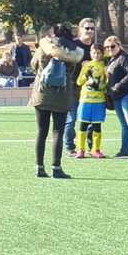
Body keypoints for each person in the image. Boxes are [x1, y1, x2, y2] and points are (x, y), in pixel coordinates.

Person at [29, 23, 84, 179]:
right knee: (58, 132)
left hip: (42, 93)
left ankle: (39, 167)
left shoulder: (43, 48)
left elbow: (33, 65)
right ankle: (56, 167)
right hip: (62, 95)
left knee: (41, 131)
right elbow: (73, 72)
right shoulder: (72, 52)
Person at [104, 35, 128, 159]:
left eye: (112, 46)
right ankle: (124, 151)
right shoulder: (112, 60)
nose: (109, 49)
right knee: (124, 124)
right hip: (118, 96)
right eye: (107, 47)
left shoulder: (125, 58)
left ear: (119, 45)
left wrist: (117, 86)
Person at [64, 18, 98, 156]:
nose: (90, 31)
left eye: (92, 28)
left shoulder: (95, 48)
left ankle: (91, 147)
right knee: (71, 118)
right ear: (80, 29)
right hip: (72, 86)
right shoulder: (73, 46)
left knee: (90, 119)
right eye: (87, 28)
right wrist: (80, 65)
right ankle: (69, 147)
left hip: (90, 89)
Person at [75, 43, 108, 159]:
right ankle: (80, 149)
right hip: (85, 100)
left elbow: (105, 84)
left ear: (102, 54)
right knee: (83, 125)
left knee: (97, 126)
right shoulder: (87, 65)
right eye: (94, 53)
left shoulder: (104, 66)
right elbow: (78, 82)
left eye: (98, 53)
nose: (96, 55)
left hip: (99, 101)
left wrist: (98, 86)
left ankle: (96, 150)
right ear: (90, 53)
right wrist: (85, 76)